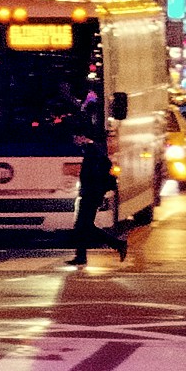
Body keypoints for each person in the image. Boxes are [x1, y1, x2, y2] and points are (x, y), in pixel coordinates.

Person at [68, 91, 126, 271]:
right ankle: (81, 256)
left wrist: (93, 187)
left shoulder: (92, 149)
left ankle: (117, 244)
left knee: (83, 225)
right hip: (90, 191)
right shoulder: (90, 149)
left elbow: (102, 166)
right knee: (82, 225)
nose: (74, 141)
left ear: (81, 137)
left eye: (76, 138)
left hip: (92, 192)